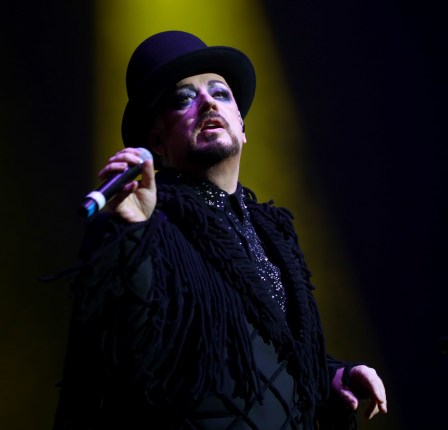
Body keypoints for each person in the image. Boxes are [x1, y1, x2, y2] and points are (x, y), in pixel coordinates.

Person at [51, 30, 388, 430]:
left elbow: (268, 349)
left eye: (220, 93)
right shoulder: (148, 224)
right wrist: (134, 235)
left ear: (242, 126)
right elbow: (129, 355)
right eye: (183, 98)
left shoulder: (272, 233)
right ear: (157, 141)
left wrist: (331, 375)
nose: (207, 101)